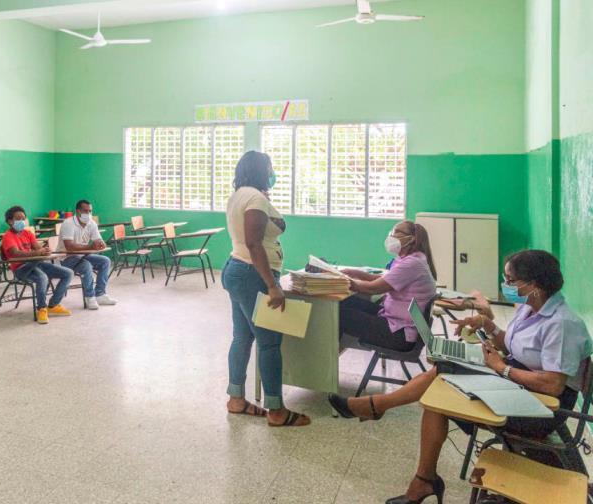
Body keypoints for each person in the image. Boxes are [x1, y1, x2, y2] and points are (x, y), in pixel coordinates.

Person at [328, 250, 592, 504]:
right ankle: (420, 474)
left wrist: (501, 368)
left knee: (441, 381)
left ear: (534, 284)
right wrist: (488, 326)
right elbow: (513, 347)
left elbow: (553, 385)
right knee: (442, 376)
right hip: (516, 383)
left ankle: (380, 415)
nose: (505, 285)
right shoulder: (530, 307)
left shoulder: (562, 324)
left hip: (539, 409)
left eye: (511, 280)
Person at [221, 150, 310, 427]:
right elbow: (254, 242)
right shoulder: (255, 198)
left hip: (237, 268)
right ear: (260, 169)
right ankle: (277, 410)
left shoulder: (242, 195)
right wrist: (272, 286)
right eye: (270, 167)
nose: (273, 171)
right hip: (252, 274)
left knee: (242, 337)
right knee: (269, 343)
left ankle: (236, 399)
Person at [339, 221, 438, 351]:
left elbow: (373, 288)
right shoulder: (411, 259)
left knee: (338, 315)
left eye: (396, 232)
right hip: (395, 322)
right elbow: (384, 280)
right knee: (344, 302)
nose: (391, 236)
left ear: (411, 238)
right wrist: (355, 273)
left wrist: (343, 281)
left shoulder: (412, 263)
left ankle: (328, 358)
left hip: (400, 335)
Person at [0, 205, 73, 324]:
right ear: (10, 221)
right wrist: (37, 252)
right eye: (18, 219)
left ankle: (53, 305)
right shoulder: (8, 236)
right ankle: (41, 309)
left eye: (23, 219)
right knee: (42, 278)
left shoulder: (27, 233)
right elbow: (15, 254)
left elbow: (38, 249)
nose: (22, 221)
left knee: (68, 273)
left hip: (36, 263)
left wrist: (45, 250)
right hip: (21, 268)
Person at [57, 199, 117, 310]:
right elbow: (69, 247)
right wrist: (90, 247)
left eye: (90, 211)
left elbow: (98, 240)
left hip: (83, 255)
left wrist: (101, 243)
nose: (88, 214)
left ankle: (100, 294)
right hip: (66, 258)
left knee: (105, 261)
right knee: (86, 265)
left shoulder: (91, 223)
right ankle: (89, 297)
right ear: (78, 211)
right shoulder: (68, 223)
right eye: (85, 211)